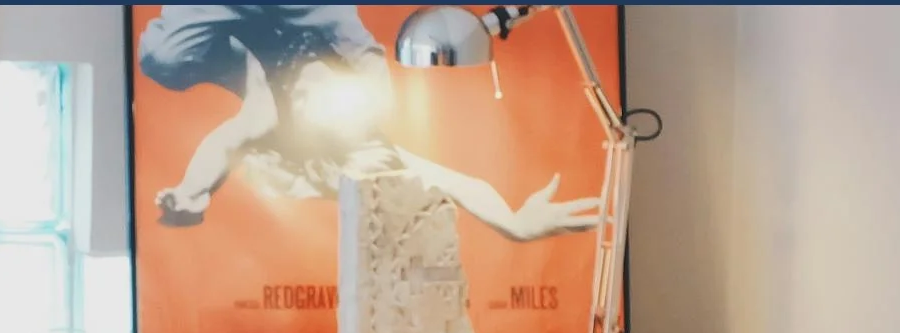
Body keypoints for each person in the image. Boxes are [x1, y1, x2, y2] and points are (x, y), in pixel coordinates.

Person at [137, 4, 600, 241]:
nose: (301, 98)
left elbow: (222, 145)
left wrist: (190, 194)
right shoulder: (354, 86)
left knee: (163, 57)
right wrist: (512, 221)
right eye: (311, 96)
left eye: (303, 103)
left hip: (244, 47)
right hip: (292, 29)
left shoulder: (267, 110)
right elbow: (461, 182)